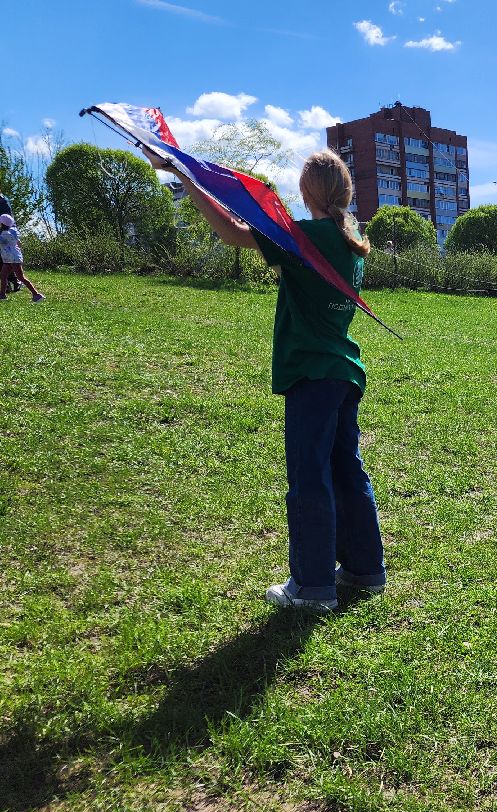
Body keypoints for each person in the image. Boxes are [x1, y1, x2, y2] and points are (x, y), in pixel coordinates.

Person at [142, 146, 385, 613]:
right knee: (346, 469)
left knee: (309, 475)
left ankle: (312, 585)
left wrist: (185, 177)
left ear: (305, 191)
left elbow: (232, 233)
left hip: (311, 374)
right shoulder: (350, 241)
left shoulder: (305, 237)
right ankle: (365, 568)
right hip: (344, 373)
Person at [0, 213, 45, 302]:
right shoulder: (11, 232)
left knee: (21, 277)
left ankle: (36, 294)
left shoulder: (5, 235)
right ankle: (2, 294)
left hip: (13, 259)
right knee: (3, 275)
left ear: (2, 224)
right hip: (9, 259)